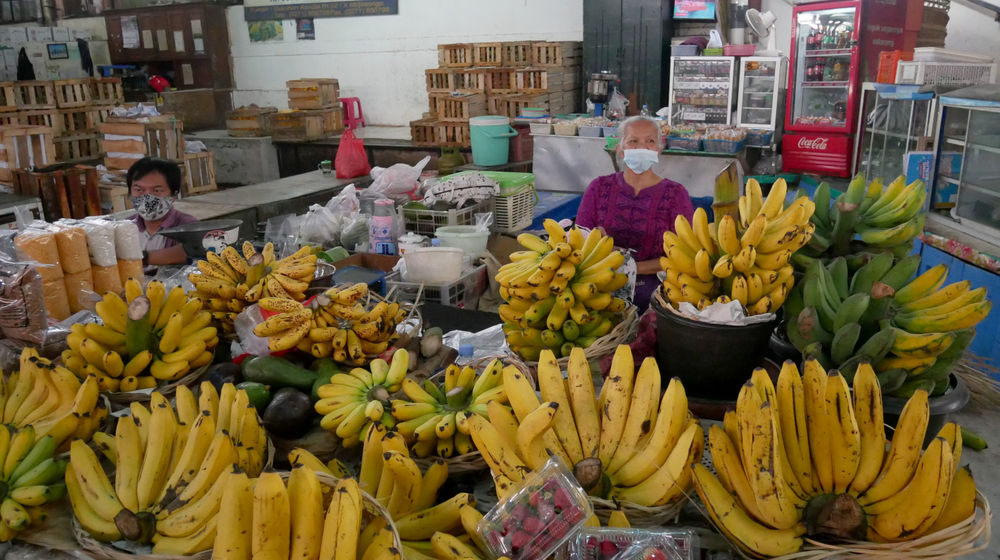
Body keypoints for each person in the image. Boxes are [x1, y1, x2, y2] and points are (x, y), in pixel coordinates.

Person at [576, 116, 694, 310]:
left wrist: (631, 268)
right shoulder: (599, 187)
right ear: (620, 149)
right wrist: (596, 241)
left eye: (650, 141)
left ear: (659, 149)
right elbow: (579, 242)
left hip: (657, 293)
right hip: (599, 287)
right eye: (633, 141)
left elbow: (683, 254)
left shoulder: (676, 194)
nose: (642, 148)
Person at [128, 157, 198, 266]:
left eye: (157, 190)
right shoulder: (125, 226)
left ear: (174, 195)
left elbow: (194, 251)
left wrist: (140, 258)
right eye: (138, 190)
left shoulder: (188, 226)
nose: (147, 198)